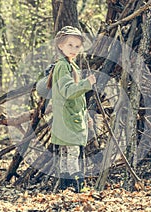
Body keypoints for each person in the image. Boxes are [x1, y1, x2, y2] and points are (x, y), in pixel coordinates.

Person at [49, 26, 96, 192]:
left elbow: (77, 100)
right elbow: (69, 92)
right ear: (60, 46)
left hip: (71, 118)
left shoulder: (71, 65)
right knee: (73, 153)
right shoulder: (63, 66)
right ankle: (76, 187)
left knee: (65, 153)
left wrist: (85, 116)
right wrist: (87, 83)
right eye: (70, 45)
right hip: (68, 120)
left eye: (77, 46)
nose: (74, 49)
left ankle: (65, 188)